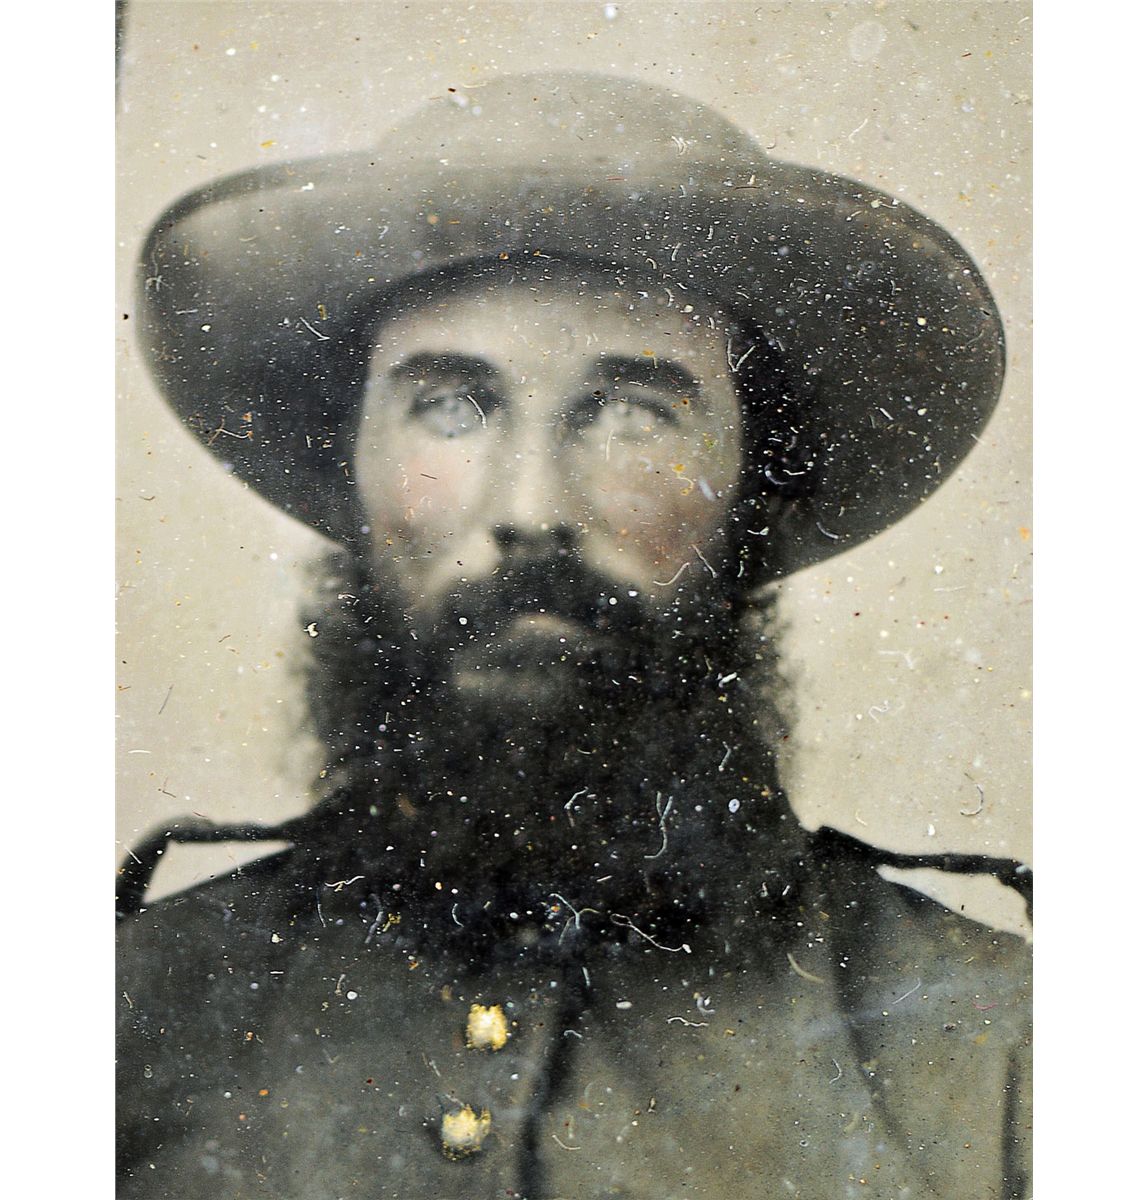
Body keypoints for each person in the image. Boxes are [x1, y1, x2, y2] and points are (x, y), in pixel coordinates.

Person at [117, 73, 1031, 1198]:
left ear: (755, 491)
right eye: (449, 405)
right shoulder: (126, 1011)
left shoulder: (999, 1052)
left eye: (635, 414)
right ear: (351, 464)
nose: (531, 506)